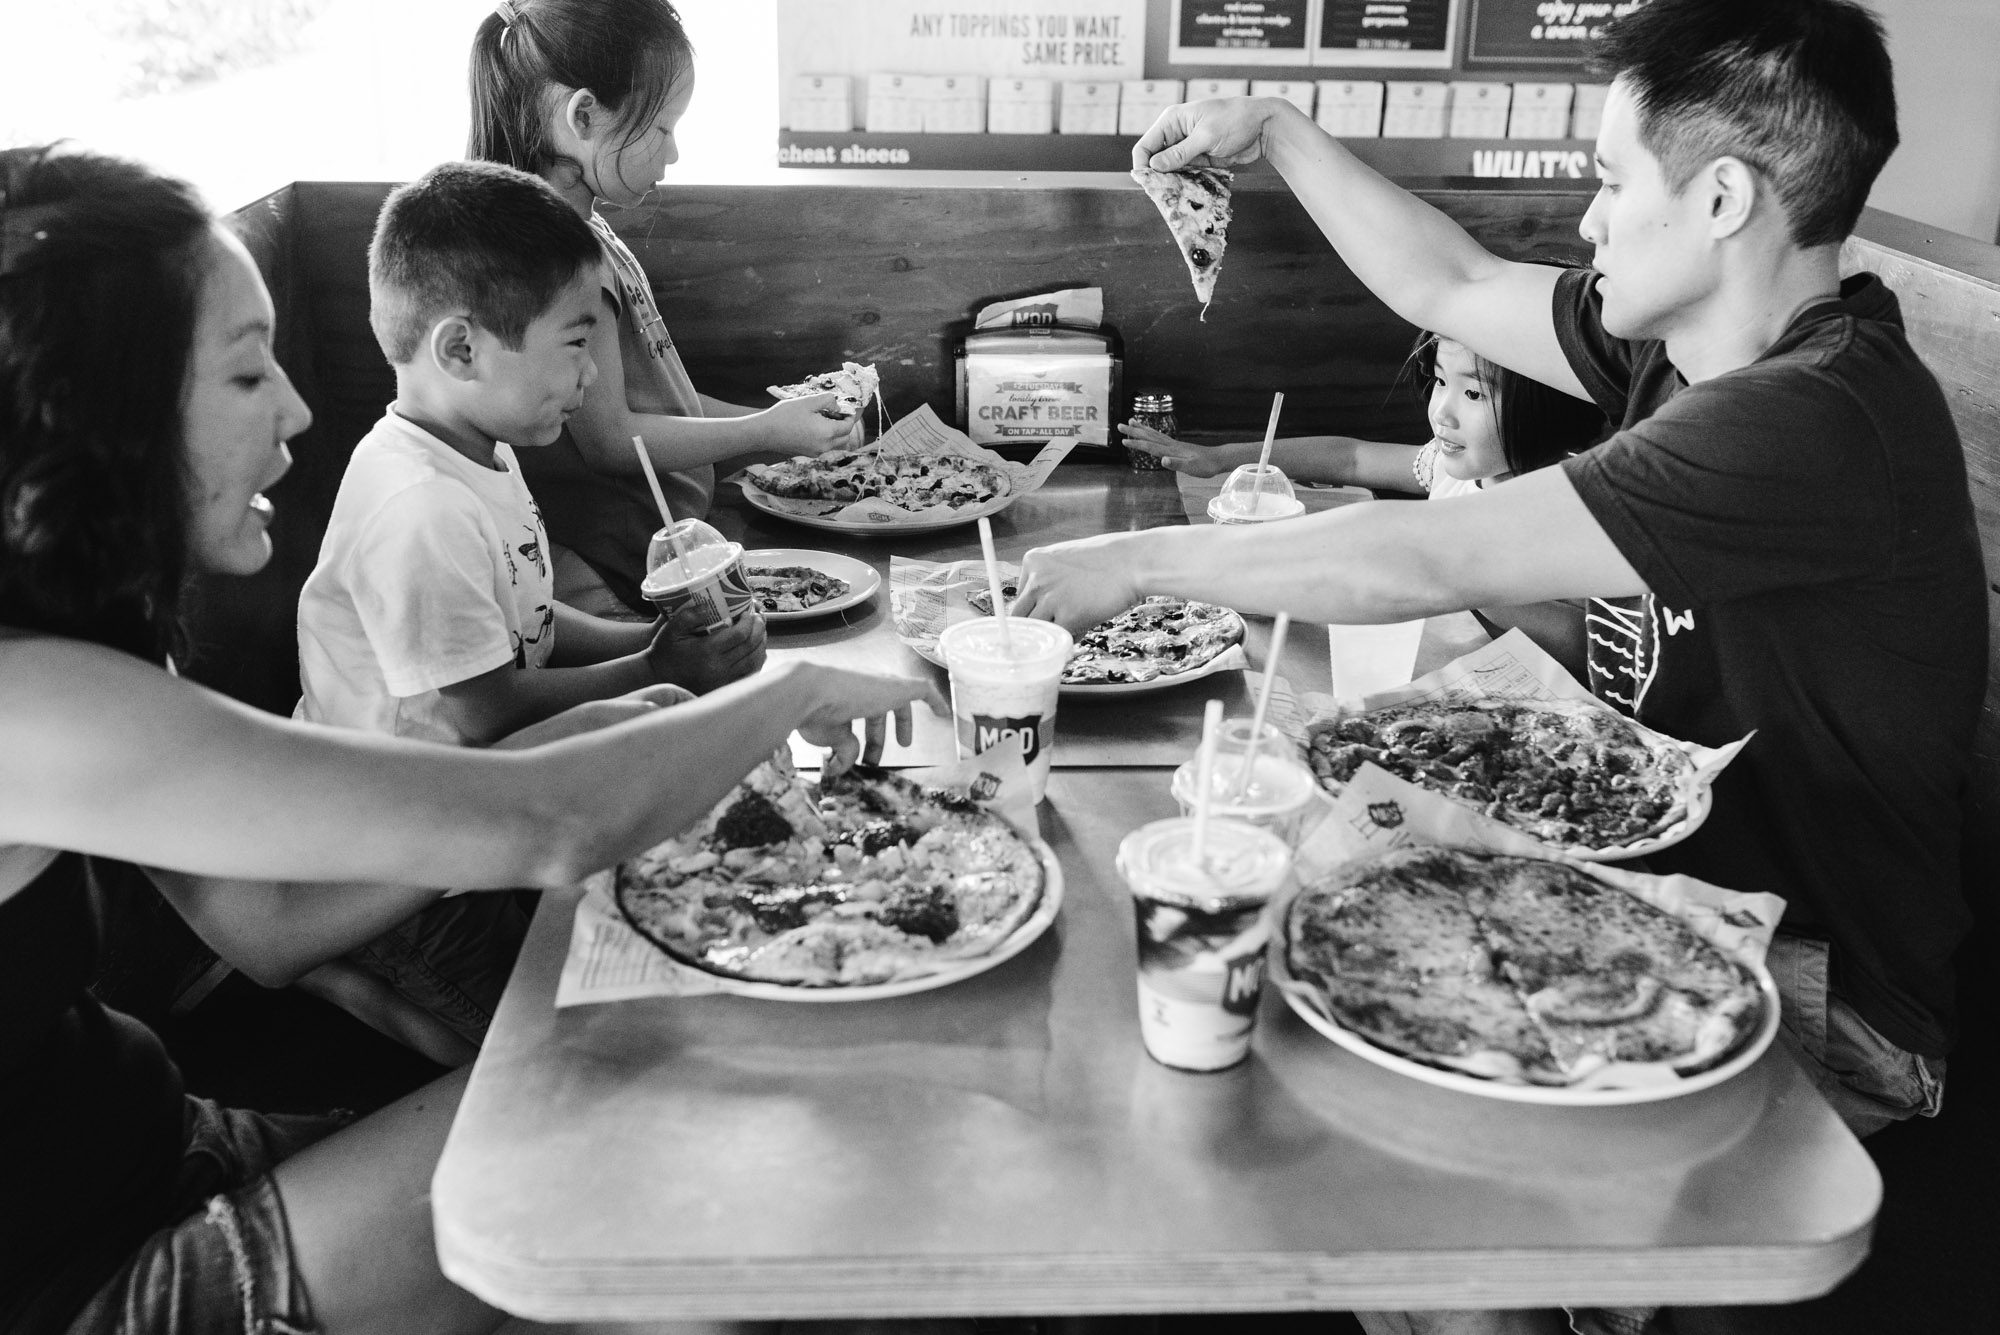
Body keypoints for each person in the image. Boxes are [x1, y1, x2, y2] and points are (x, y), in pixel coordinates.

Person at [0, 142, 936, 1333]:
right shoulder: (31, 703)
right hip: (82, 1282)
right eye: (246, 377)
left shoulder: (78, 638)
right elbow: (542, 824)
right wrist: (787, 694)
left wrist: (623, 711)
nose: (295, 408)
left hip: (151, 1145)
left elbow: (267, 927)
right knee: (638, 1111)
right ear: (92, 423)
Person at [1021, 0, 1981, 1157]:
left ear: (1720, 201)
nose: (1586, 221)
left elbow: (1421, 556)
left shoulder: (1810, 421)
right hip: (1660, 906)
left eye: (1612, 184)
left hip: (1816, 993)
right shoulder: (1687, 343)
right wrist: (1274, 127)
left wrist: (1136, 560)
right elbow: (1451, 282)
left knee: (1324, 1120)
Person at [288, 158, 769, 1053]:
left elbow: (532, 623)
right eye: (576, 342)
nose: (593, 377)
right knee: (547, 1057)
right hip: (402, 864)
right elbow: (483, 711)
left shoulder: (482, 447)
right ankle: (351, 976)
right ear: (462, 349)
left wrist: (651, 637)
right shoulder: (418, 505)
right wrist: (657, 669)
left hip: (481, 805)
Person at [468, 0, 858, 618]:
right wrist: (761, 432)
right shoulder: (559, 258)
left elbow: (662, 407)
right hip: (610, 572)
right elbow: (612, 439)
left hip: (667, 545)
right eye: (662, 128)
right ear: (585, 116)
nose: (673, 153)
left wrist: (777, 421)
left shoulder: (594, 233)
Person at [1119, 331, 1604, 497]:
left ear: (1551, 401)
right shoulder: (1451, 469)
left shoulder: (1563, 501)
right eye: (1439, 382)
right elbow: (1351, 459)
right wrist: (1220, 458)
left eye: (1474, 395)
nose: (1443, 413)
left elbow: (1578, 635)